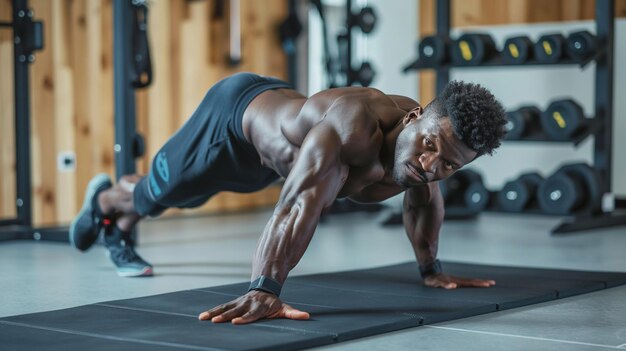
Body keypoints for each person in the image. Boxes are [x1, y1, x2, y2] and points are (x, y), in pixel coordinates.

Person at [70, 72, 506, 324]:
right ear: (414, 119)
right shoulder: (354, 129)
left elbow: (426, 202)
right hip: (229, 127)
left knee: (180, 200)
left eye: (449, 164)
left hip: (266, 166)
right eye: (430, 147)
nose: (432, 165)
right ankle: (107, 203)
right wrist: (265, 289)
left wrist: (432, 270)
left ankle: (120, 219)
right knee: (159, 195)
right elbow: (300, 203)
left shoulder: (420, 155)